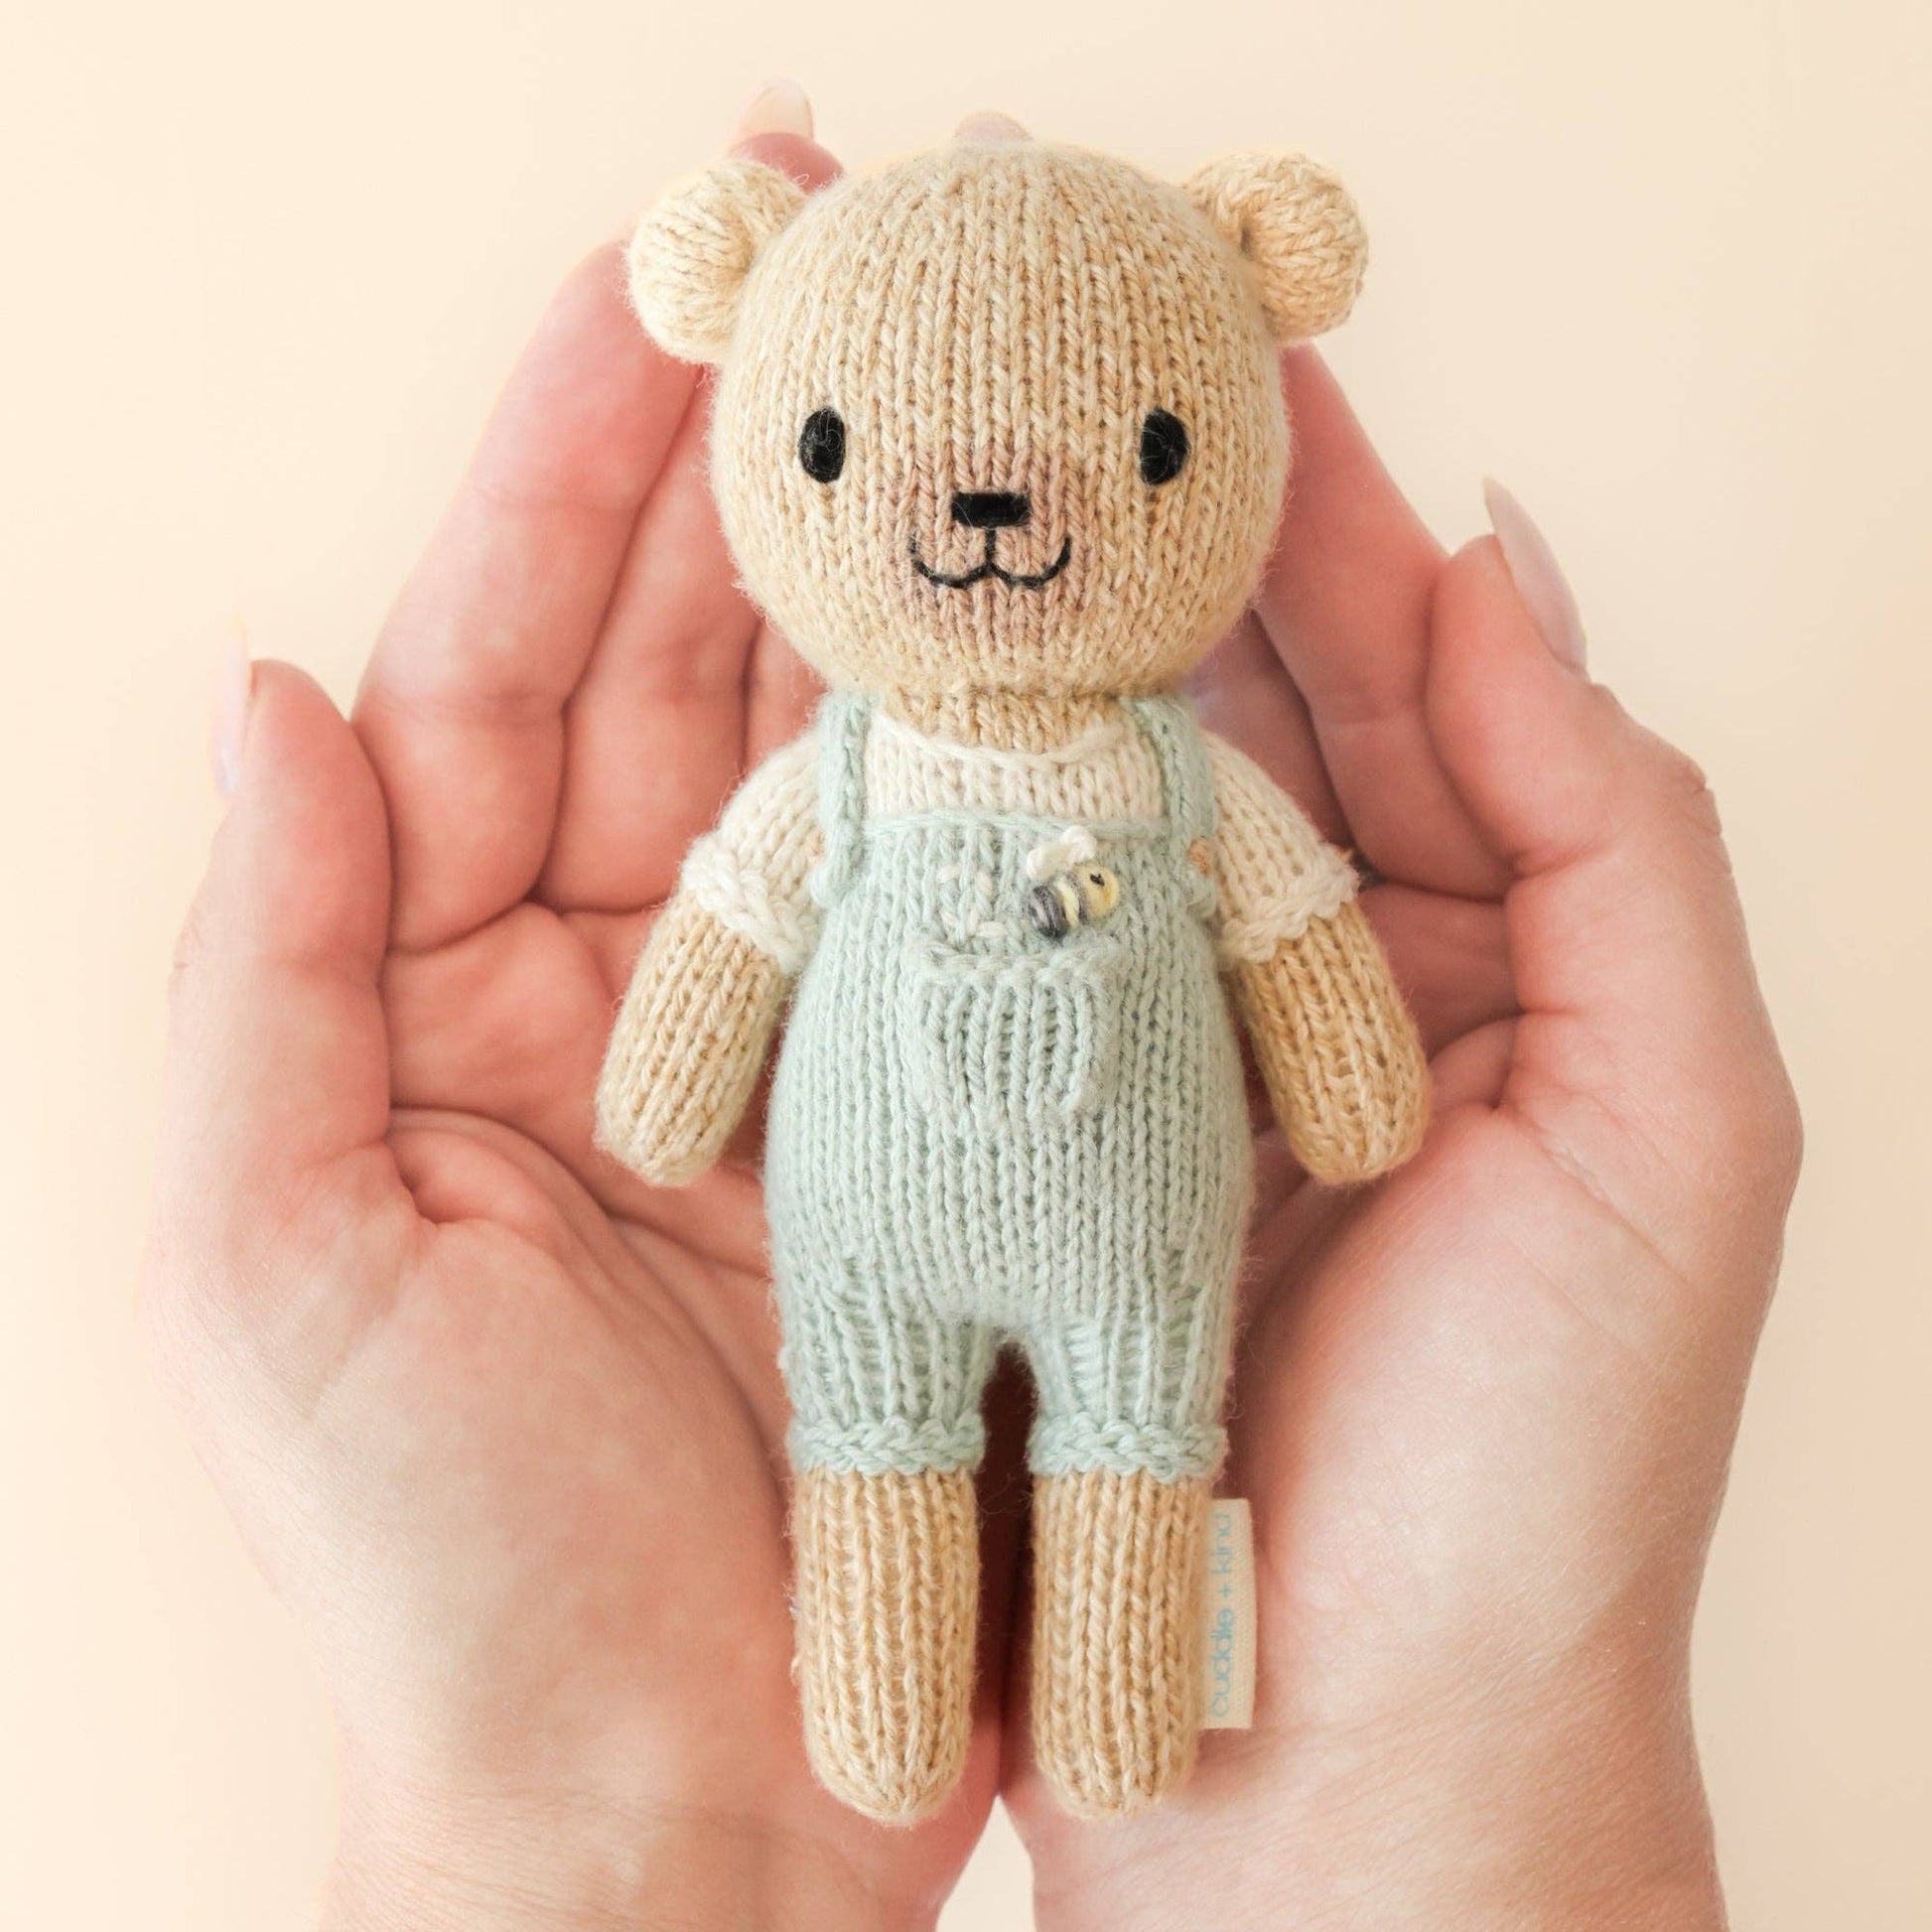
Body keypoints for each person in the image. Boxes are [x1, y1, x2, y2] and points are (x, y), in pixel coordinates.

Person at [144, 86, 1801, 1932]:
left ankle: (1117, 1710)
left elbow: (1292, 920)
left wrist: (1351, 1089)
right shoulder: (846, 777)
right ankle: (884, 1698)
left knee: (1135, 1431)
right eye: (848, 442)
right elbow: (733, 910)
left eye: (1150, 443)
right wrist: (667, 1085)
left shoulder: (1176, 779)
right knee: (874, 1436)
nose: (998, 510)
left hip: (1145, 1245)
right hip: (863, 1239)